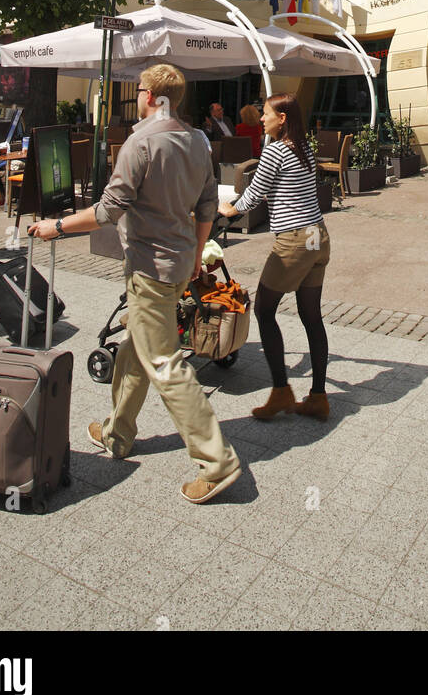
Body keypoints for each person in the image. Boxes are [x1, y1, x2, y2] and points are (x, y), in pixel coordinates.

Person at [27, 63, 241, 505]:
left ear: (150, 95)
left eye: (140, 88)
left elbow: (108, 211)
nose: (138, 94)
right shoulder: (198, 140)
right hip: (180, 261)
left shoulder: (139, 142)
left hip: (149, 266)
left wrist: (57, 226)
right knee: (136, 345)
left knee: (163, 361)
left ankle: (217, 463)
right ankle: (117, 434)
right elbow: (207, 208)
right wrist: (197, 255)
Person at [219, 94, 331, 421]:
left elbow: (256, 191)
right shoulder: (303, 147)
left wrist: (233, 207)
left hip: (295, 240)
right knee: (312, 316)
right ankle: (318, 397)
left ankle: (281, 391)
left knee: (265, 310)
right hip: (317, 237)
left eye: (266, 114)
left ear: (282, 118)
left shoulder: (274, 149)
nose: (261, 118)